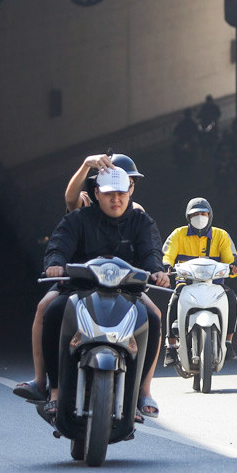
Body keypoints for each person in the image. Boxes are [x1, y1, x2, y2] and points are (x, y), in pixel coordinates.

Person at [38, 165, 169, 419]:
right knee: (53, 311)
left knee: (153, 318)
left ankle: (140, 393)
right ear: (97, 193)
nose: (116, 199)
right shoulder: (78, 218)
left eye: (121, 193)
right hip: (80, 287)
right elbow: (59, 245)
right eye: (109, 193)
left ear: (130, 192)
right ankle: (55, 389)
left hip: (127, 289)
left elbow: (151, 251)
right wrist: (55, 263)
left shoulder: (142, 221)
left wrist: (157, 271)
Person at [161, 197, 237, 350]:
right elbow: (167, 255)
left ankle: (228, 342)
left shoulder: (221, 235)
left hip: (215, 284)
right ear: (188, 217)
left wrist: (234, 267)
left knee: (231, 299)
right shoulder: (178, 234)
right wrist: (166, 266)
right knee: (175, 300)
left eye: (203, 214)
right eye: (195, 214)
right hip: (185, 283)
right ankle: (171, 346)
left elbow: (231, 260)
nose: (199, 217)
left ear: (210, 216)